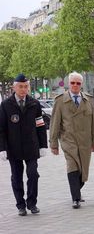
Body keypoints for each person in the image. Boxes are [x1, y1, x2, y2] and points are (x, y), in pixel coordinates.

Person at [49, 72, 94, 209]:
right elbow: (54, 123)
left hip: (85, 142)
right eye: (72, 83)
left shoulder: (88, 99)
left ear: (81, 85)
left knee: (83, 171)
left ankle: (77, 190)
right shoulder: (60, 101)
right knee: (73, 166)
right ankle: (75, 198)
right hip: (68, 140)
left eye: (78, 83)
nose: (75, 85)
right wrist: (53, 144)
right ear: (68, 84)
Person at [0, 74, 47, 216]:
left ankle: (32, 203)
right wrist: (2, 148)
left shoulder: (34, 104)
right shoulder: (6, 105)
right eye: (20, 86)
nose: (23, 89)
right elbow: (1, 129)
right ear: (14, 87)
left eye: (26, 86)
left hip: (31, 146)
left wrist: (43, 145)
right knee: (16, 176)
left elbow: (40, 125)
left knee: (33, 174)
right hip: (13, 148)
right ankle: (20, 204)